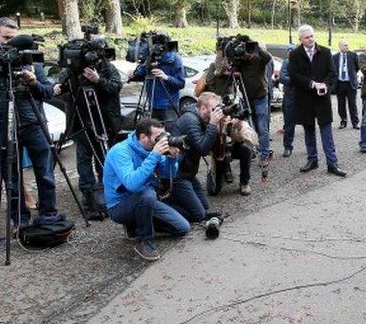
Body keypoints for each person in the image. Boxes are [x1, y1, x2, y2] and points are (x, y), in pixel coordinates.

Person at [0, 17, 58, 231]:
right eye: (6, 38)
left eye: (14, 39)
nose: (10, 44)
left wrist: (33, 82)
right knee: (11, 178)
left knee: (45, 173)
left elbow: (48, 91)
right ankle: (20, 221)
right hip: (5, 126)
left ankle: (49, 215)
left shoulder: (31, 60)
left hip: (34, 123)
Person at [103, 118, 189, 261]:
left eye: (163, 136)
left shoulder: (151, 148)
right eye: (157, 138)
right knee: (147, 194)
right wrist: (154, 156)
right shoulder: (120, 152)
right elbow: (132, 184)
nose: (161, 141)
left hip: (145, 200)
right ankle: (145, 242)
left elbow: (169, 174)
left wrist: (171, 158)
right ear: (143, 137)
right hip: (119, 206)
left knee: (183, 228)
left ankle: (135, 226)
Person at [53, 52, 124, 219]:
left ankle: (105, 188)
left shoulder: (107, 67)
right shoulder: (71, 70)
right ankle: (88, 192)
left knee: (103, 155)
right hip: (79, 121)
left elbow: (116, 87)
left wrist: (98, 80)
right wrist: (58, 87)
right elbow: (63, 92)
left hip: (103, 120)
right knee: (84, 156)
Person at [287, 25, 345, 177]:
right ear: (300, 39)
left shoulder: (325, 52)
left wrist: (325, 85)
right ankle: (312, 160)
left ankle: (332, 163)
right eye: (307, 37)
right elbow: (294, 76)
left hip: (322, 99)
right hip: (305, 99)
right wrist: (313, 84)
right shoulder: (294, 54)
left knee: (327, 132)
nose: (311, 39)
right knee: (309, 131)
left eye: (312, 36)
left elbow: (332, 73)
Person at [198, 52, 255, 194]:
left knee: (246, 150)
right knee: (213, 191)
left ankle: (244, 183)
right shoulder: (209, 115)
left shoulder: (234, 111)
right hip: (218, 149)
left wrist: (238, 126)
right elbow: (205, 144)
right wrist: (217, 124)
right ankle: (222, 173)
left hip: (233, 146)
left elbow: (252, 140)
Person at [171, 91, 224, 219]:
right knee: (199, 214)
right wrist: (212, 124)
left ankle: (179, 200)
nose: (215, 113)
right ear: (203, 108)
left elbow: (214, 149)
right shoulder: (190, 120)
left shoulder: (201, 118)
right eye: (213, 109)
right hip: (178, 176)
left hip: (189, 173)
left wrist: (220, 127)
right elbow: (203, 149)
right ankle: (162, 207)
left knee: (204, 206)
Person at [130, 38, 185, 128]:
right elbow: (139, 73)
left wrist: (166, 77)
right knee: (153, 135)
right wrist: (139, 68)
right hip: (152, 104)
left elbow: (181, 83)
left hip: (169, 106)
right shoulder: (149, 58)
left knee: (171, 135)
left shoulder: (175, 60)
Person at [332, 40, 360, 129]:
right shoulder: (335, 57)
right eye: (345, 45)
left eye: (347, 45)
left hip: (350, 83)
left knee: (352, 104)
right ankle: (343, 121)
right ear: (340, 46)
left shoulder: (353, 55)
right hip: (339, 84)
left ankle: (355, 122)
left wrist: (352, 75)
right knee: (341, 104)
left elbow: (357, 67)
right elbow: (333, 69)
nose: (347, 47)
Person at [278, 44, 296, 157]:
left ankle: (311, 148)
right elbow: (282, 78)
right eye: (288, 52)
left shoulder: (303, 62)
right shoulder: (286, 62)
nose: (290, 54)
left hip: (303, 96)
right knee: (289, 124)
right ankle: (287, 146)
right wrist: (295, 79)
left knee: (308, 124)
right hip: (290, 96)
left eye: (292, 52)